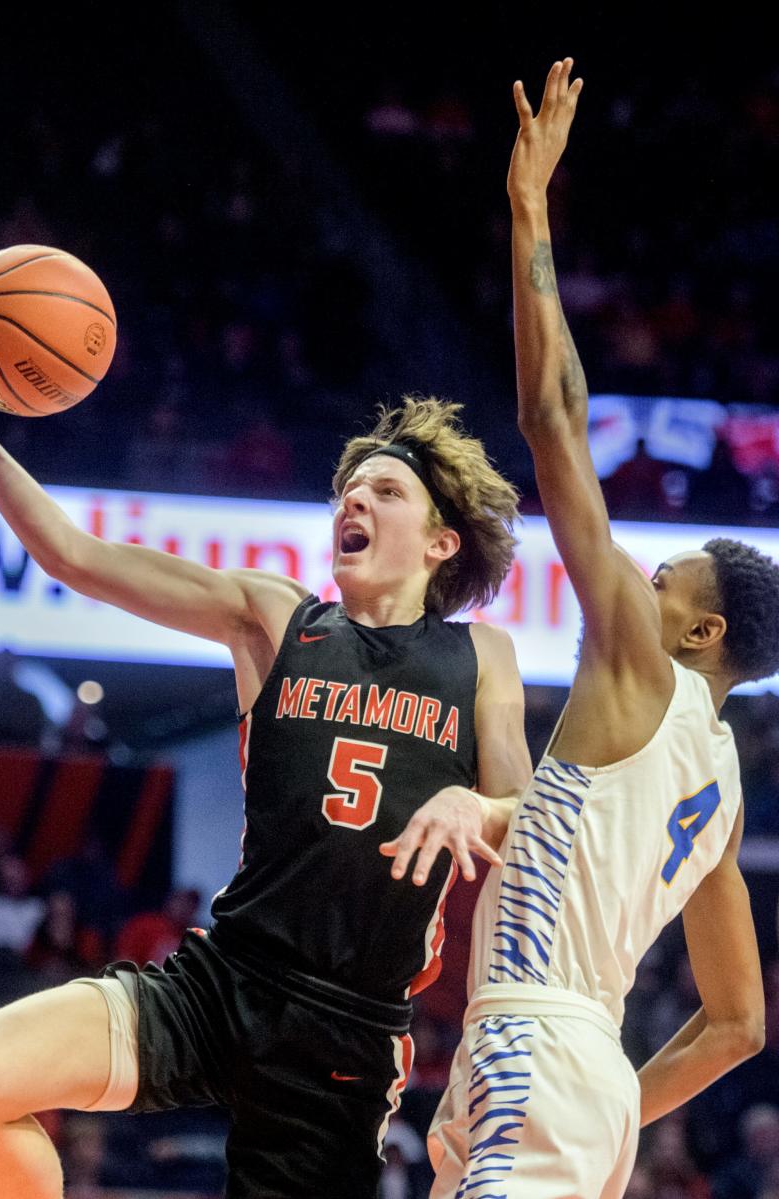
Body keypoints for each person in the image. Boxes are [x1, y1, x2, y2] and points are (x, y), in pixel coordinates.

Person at [0, 289, 531, 1199]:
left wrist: (477, 803)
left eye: (385, 490)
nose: (354, 499)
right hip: (222, 977)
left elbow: (529, 822)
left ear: (442, 540)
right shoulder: (273, 618)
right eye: (347, 491)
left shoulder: (482, 656)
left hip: (346, 1028)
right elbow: (76, 558)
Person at [424, 59, 779, 1199]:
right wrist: (615, 1092)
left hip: (540, 1039)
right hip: (566, 1065)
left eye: (661, 576)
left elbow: (549, 416)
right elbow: (736, 1023)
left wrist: (529, 210)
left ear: (699, 630)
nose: (634, 577)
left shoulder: (644, 664)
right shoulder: (718, 785)